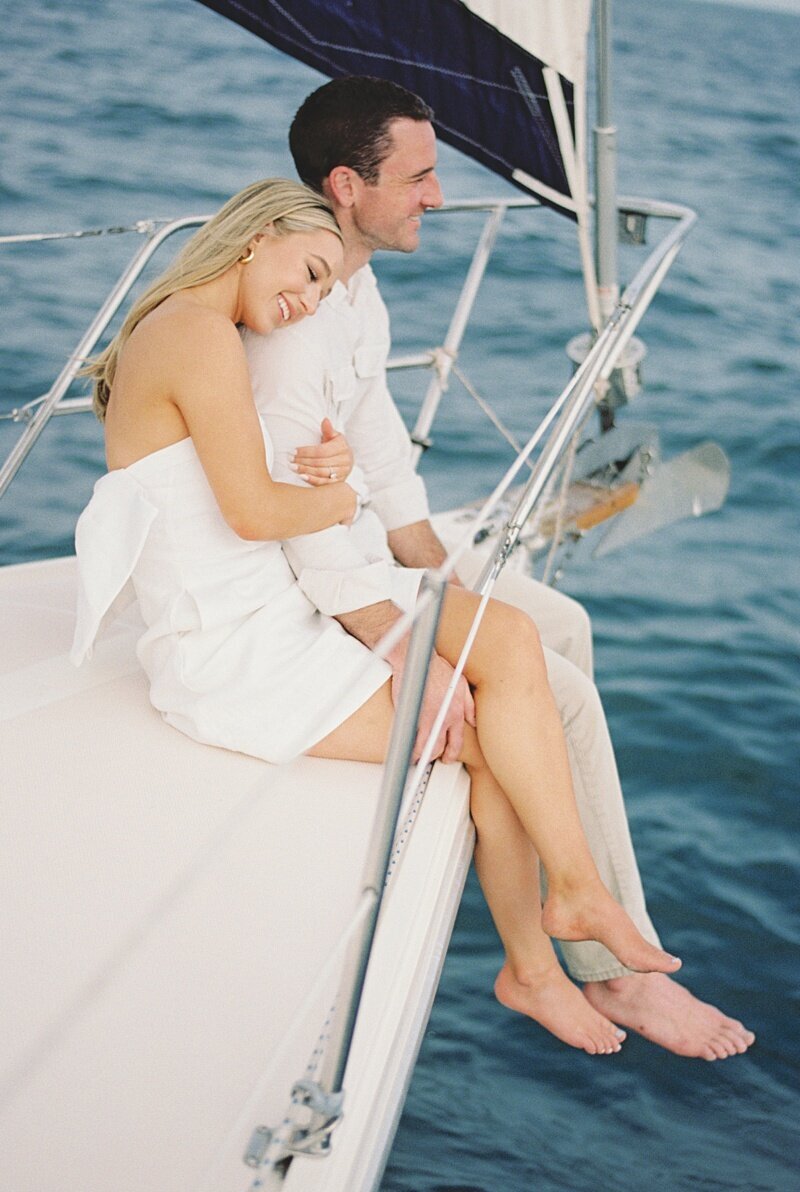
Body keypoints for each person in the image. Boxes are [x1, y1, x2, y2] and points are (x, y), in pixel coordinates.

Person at [71, 174, 683, 1059]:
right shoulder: (199, 337)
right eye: (311, 272)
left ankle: (573, 904)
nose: (309, 300)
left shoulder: (194, 330)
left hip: (259, 611)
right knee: (475, 735)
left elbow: (247, 498)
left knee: (502, 641)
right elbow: (253, 513)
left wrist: (324, 477)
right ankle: (541, 958)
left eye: (327, 288)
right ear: (258, 235)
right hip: (230, 654)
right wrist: (336, 496)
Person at [242, 78, 755, 1060]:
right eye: (420, 176)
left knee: (559, 623)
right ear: (346, 186)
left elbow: (379, 443)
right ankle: (609, 967)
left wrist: (441, 568)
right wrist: (409, 644)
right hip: (302, 582)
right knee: (549, 687)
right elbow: (299, 533)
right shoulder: (295, 316)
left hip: (356, 550)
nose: (438, 196)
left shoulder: (352, 286)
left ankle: (571, 866)